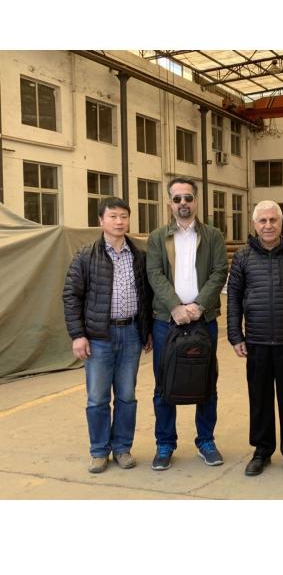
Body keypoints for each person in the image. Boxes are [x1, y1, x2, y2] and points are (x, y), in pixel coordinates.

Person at [227, 201, 283, 478]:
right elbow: (233, 299)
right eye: (263, 221)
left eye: (273, 220)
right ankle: (262, 451)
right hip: (257, 342)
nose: (268, 225)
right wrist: (235, 335)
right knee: (260, 400)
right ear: (254, 225)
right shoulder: (242, 257)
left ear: (281, 222)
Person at [63, 197, 153, 473]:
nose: (119, 221)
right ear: (101, 221)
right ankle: (99, 451)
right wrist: (78, 335)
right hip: (99, 337)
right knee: (98, 398)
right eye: (113, 216)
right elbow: (71, 296)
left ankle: (122, 448)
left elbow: (147, 296)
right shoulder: (85, 256)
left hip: (131, 335)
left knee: (126, 396)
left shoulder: (139, 256)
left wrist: (146, 330)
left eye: (124, 216)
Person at [146, 177, 228, 471]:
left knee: (206, 381)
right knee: (164, 383)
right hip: (166, 321)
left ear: (196, 201)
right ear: (169, 203)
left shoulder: (213, 236)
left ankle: (206, 441)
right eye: (177, 198)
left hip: (203, 320)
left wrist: (198, 306)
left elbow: (219, 271)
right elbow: (154, 274)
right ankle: (165, 443)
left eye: (188, 198)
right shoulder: (157, 238)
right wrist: (175, 307)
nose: (183, 203)